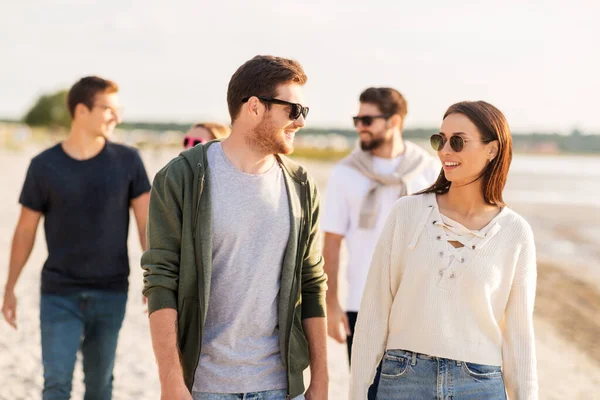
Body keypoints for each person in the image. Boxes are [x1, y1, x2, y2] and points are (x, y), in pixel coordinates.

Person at [142, 55, 328, 400]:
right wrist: (171, 381)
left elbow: (312, 282)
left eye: (305, 111)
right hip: (203, 387)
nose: (301, 122)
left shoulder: (302, 185)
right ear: (254, 107)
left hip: (280, 386)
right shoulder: (180, 178)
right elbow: (160, 281)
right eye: (294, 110)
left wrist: (321, 381)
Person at [349, 101, 538, 399]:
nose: (445, 151)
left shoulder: (516, 233)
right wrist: (358, 392)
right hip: (403, 379)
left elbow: (520, 335)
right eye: (440, 140)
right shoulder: (406, 213)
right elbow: (374, 309)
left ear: (493, 149)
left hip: (480, 385)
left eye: (458, 142)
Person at [1, 76, 151, 400]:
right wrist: (9, 287)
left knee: (100, 387)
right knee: (56, 385)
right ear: (81, 110)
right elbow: (25, 231)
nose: (117, 117)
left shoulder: (129, 161)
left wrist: (155, 278)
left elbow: (145, 224)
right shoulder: (43, 166)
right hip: (58, 293)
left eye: (119, 110)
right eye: (109, 109)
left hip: (111, 292)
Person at [322, 87, 438, 366]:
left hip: (418, 304)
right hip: (361, 303)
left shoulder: (429, 170)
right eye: (357, 120)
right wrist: (332, 304)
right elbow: (331, 243)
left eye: (368, 120)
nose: (360, 127)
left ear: (394, 121)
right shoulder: (345, 173)